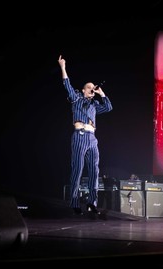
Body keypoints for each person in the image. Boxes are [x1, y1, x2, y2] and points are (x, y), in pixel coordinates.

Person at [58, 55, 113, 215]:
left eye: (93, 88)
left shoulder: (95, 105)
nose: (92, 89)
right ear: (83, 90)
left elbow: (109, 107)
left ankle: (92, 203)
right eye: (89, 87)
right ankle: (74, 202)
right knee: (78, 169)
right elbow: (67, 85)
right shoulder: (76, 99)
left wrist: (102, 94)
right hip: (80, 137)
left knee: (94, 171)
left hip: (92, 139)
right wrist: (63, 67)